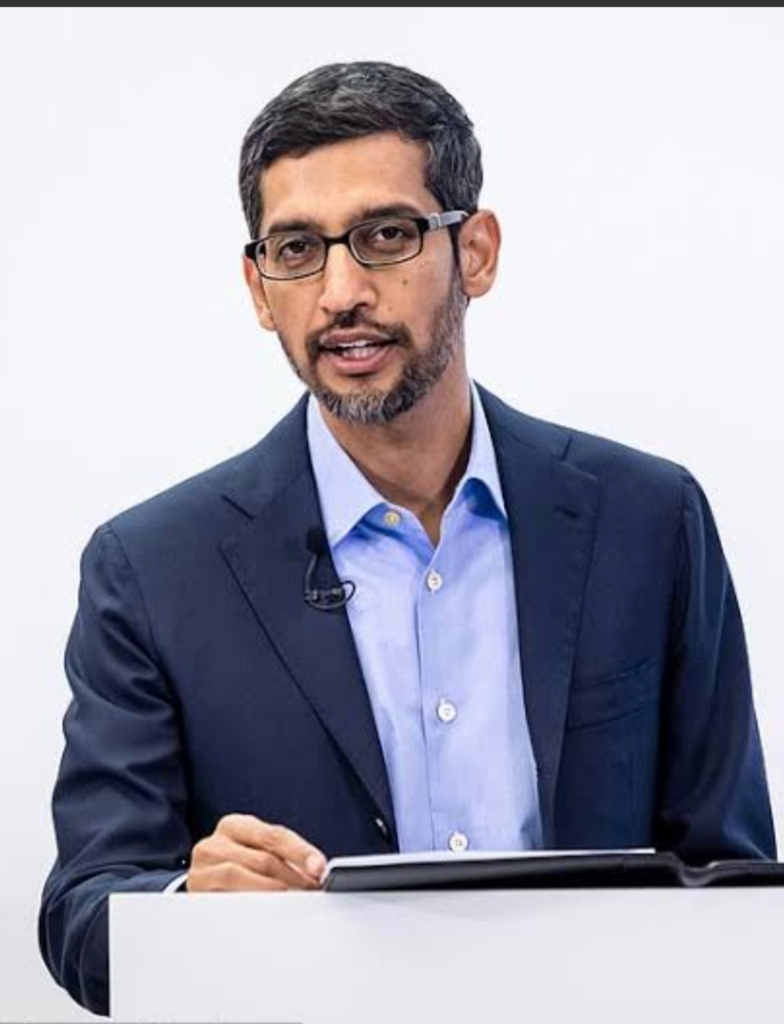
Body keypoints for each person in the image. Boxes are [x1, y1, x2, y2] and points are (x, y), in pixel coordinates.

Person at [40, 61, 776, 1015]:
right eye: (297, 248)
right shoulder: (150, 570)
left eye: (385, 236)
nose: (341, 290)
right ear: (259, 289)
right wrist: (188, 905)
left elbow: (733, 881)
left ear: (475, 252)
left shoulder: (648, 519)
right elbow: (84, 913)